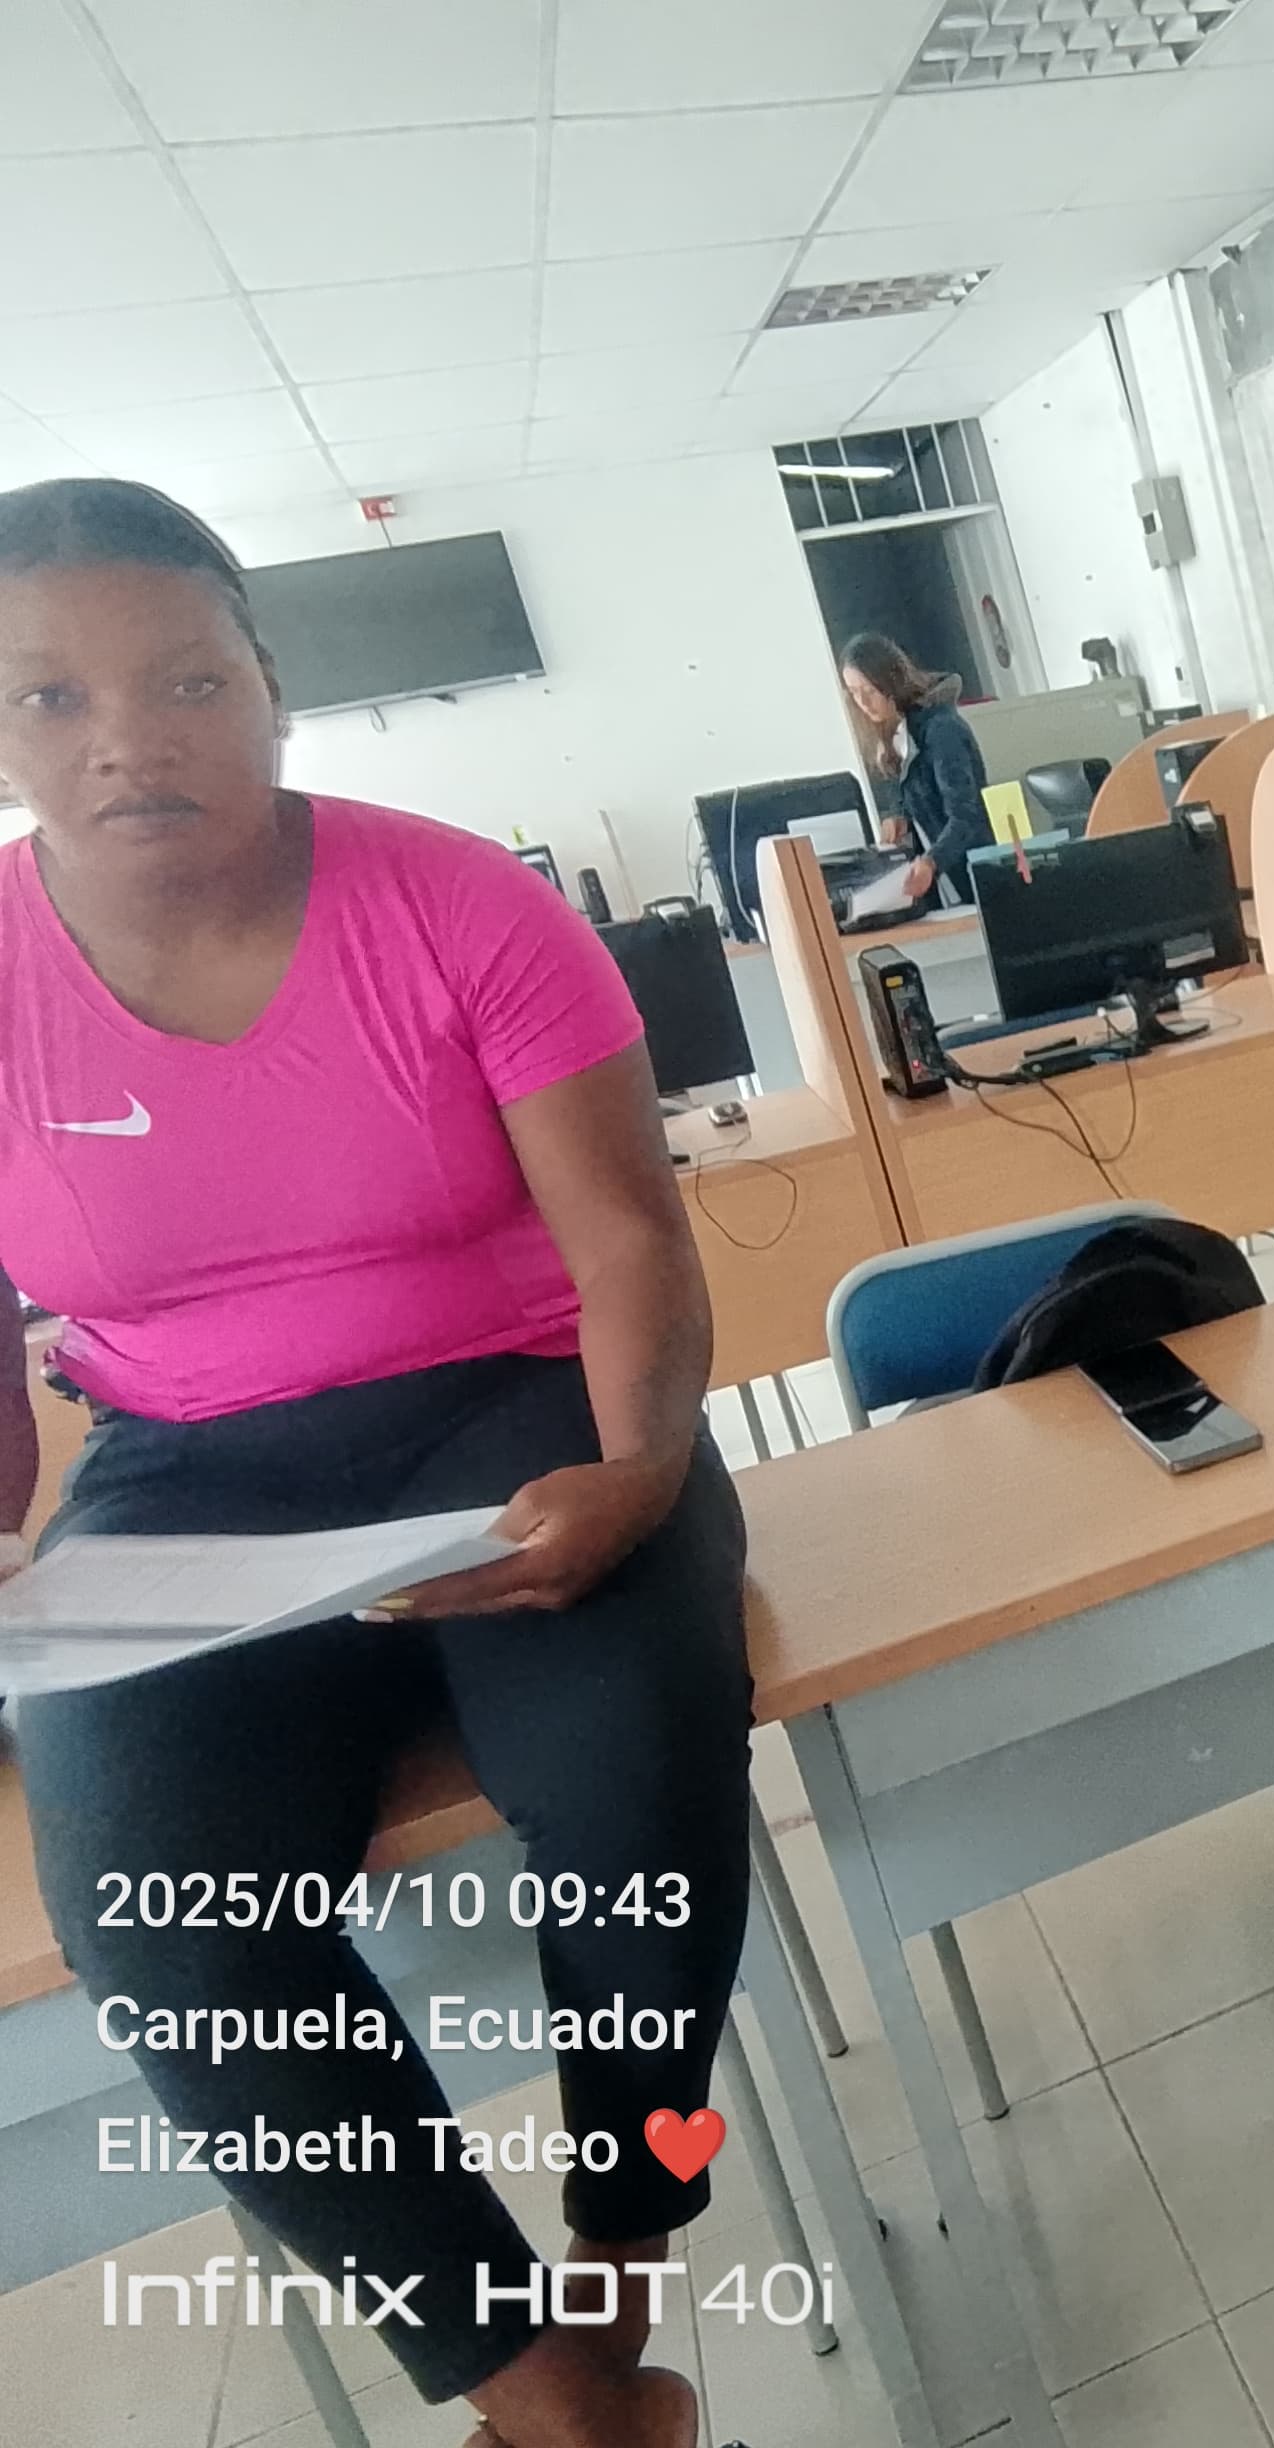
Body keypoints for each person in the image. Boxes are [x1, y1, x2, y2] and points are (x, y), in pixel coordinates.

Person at [0, 479, 747, 2448]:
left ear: (271, 688)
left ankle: (620, 2247)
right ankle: (564, 2404)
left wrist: (640, 1469)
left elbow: (630, 1241)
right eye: (52, 696)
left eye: (185, 681)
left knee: (634, 1783)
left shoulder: (465, 907)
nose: (126, 737)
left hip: (524, 1408)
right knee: (159, 1921)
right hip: (182, 1477)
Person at [840, 630, 993, 907]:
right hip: (942, 891)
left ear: (891, 682)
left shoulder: (941, 730)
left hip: (974, 883)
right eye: (854, 692)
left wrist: (932, 861)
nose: (863, 703)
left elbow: (966, 816)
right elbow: (917, 798)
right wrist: (900, 818)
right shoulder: (897, 737)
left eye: (869, 690)